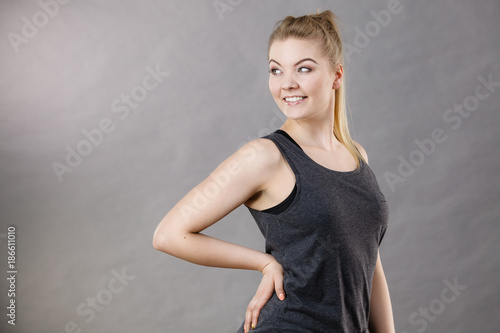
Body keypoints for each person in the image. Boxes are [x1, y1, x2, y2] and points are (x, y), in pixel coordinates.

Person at [153, 9, 395, 333]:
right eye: (276, 70)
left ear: (336, 75)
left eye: (304, 69)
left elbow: (369, 261)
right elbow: (169, 235)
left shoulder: (357, 155)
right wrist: (263, 263)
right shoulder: (265, 157)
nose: (287, 84)